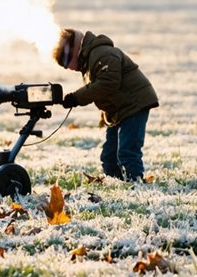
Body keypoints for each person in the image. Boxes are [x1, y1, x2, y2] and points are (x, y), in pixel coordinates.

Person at [52, 29, 159, 182]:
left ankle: (135, 183)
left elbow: (108, 84)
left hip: (134, 104)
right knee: (109, 155)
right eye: (63, 65)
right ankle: (115, 182)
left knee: (127, 152)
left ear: (75, 48)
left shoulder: (102, 54)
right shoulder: (89, 62)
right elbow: (103, 93)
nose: (67, 67)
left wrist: (76, 98)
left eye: (66, 59)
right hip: (119, 110)